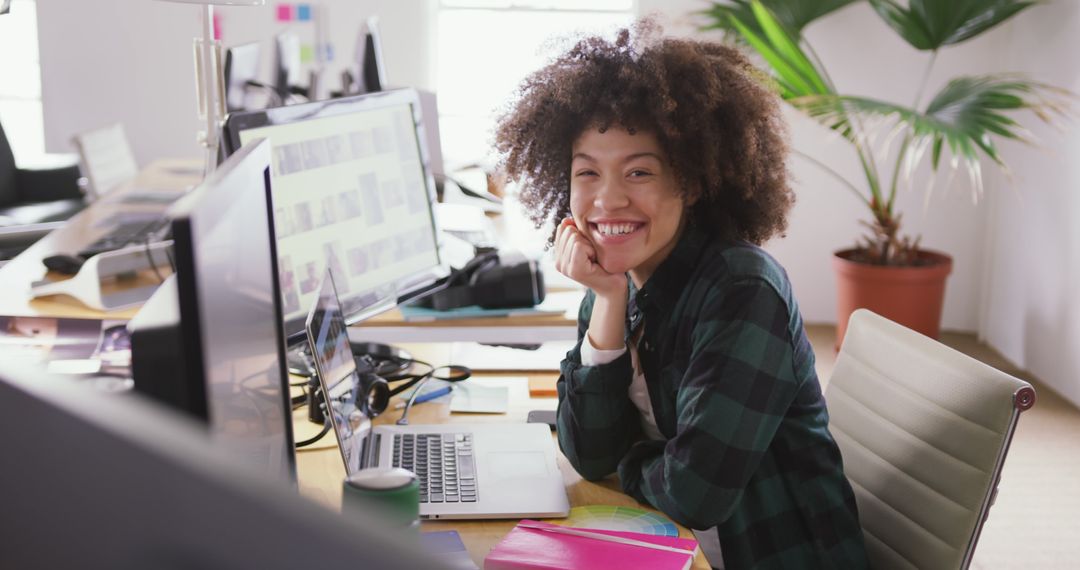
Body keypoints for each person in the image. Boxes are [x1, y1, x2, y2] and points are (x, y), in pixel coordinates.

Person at [494, 20, 869, 569]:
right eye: (587, 173)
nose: (607, 200)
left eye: (639, 171)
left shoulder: (743, 292)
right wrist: (606, 299)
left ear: (691, 182)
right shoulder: (615, 278)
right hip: (672, 544)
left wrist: (629, 458)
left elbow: (695, 494)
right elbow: (588, 452)